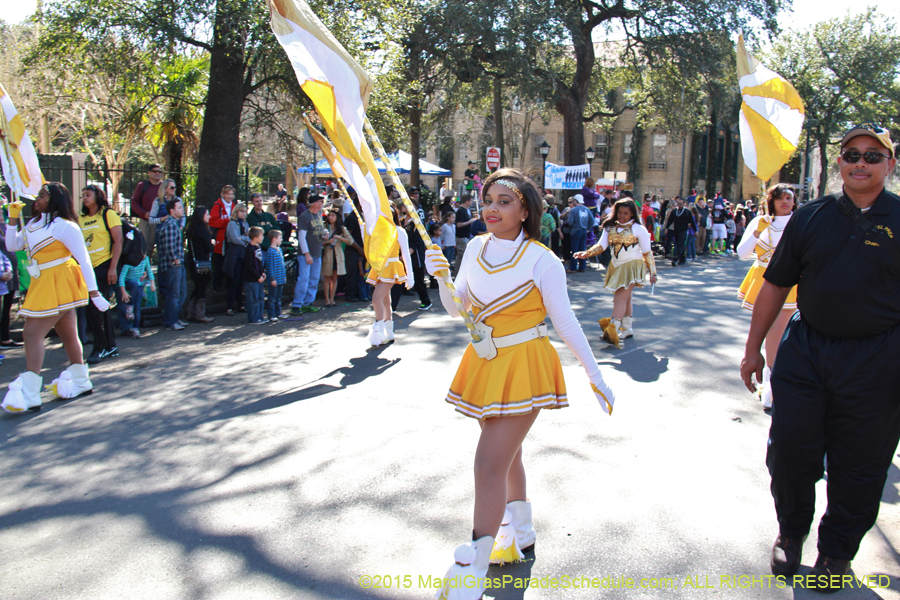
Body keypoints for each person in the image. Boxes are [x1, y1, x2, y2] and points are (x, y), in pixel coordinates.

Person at [422, 169, 616, 600]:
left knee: (488, 463)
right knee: (507, 456)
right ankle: (520, 531)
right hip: (486, 360)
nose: (491, 208)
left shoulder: (542, 259)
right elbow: (459, 311)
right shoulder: (474, 246)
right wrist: (440, 278)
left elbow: (563, 320)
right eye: (487, 199)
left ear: (525, 209)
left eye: (504, 201)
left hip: (525, 361)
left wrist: (594, 373)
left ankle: (473, 563)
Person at [740, 123, 900, 591]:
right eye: (852, 154)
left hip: (878, 359)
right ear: (839, 163)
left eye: (873, 156)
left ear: (890, 165)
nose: (861, 163)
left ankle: (835, 552)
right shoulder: (811, 216)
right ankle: (791, 533)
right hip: (807, 349)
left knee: (861, 462)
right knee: (789, 449)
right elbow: (774, 284)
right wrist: (753, 349)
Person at [2, 183, 110, 413]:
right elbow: (12, 245)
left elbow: (84, 260)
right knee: (68, 333)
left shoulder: (66, 226)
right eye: (38, 195)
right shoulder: (32, 224)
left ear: (55, 200)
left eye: (43, 195)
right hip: (42, 282)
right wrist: (12, 218)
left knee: (31, 333)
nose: (37, 199)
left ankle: (31, 394)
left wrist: (94, 292)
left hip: (60, 280)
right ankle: (81, 381)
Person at [736, 184, 798, 409]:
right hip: (764, 280)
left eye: (789, 197)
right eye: (780, 198)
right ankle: (772, 384)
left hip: (791, 282)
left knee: (781, 334)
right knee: (772, 332)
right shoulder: (759, 221)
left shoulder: (799, 220)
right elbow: (742, 253)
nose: (785, 201)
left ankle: (779, 380)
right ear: (771, 200)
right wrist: (757, 231)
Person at [575, 198, 658, 347]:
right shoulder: (610, 227)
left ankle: (611, 333)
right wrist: (586, 254)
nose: (622, 216)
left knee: (619, 298)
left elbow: (647, 253)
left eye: (626, 213)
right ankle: (627, 329)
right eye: (619, 212)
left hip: (633, 266)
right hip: (617, 265)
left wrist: (653, 272)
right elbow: (601, 246)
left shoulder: (639, 229)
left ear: (632, 213)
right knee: (626, 298)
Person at [78, 185, 123, 364]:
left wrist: (113, 268)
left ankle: (100, 347)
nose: (85, 198)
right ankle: (109, 345)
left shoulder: (108, 214)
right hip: (86, 268)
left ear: (98, 196)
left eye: (88, 195)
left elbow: (118, 241)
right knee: (97, 308)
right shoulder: (80, 219)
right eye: (83, 196)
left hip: (104, 266)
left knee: (96, 307)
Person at [365, 205, 414, 346]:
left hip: (392, 268)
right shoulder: (377, 230)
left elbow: (405, 254)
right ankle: (389, 333)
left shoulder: (399, 231)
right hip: (380, 268)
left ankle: (378, 331)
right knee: (386, 300)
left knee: (376, 298)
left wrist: (410, 276)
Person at [156, 199, 189, 331]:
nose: (182, 209)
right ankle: (170, 321)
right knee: (174, 294)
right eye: (179, 207)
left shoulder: (174, 224)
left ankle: (175, 318)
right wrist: (175, 260)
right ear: (172, 210)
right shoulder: (170, 225)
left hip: (177, 265)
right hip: (172, 266)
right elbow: (169, 246)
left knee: (181, 293)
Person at [290, 194, 325, 315]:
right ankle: (297, 304)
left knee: (314, 279)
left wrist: (324, 236)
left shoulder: (319, 215)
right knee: (303, 279)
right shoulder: (304, 216)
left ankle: (308, 303)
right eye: (321, 201)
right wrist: (306, 254)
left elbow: (317, 232)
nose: (323, 203)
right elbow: (302, 237)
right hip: (307, 254)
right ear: (315, 203)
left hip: (317, 252)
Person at [186, 205, 215, 324]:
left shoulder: (192, 230)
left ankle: (190, 312)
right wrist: (212, 242)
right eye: (207, 214)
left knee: (197, 286)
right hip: (202, 261)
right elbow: (208, 247)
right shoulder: (203, 230)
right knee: (202, 287)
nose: (209, 216)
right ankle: (200, 314)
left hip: (193, 261)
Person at [320, 208, 355, 307]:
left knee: (335, 278)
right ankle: (326, 299)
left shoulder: (342, 229)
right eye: (329, 215)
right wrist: (327, 241)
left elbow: (350, 241)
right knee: (327, 278)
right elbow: (319, 242)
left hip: (338, 255)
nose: (330, 217)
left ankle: (332, 299)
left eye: (333, 215)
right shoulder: (324, 227)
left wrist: (339, 237)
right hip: (328, 254)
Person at [130, 164, 163, 258]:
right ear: (149, 173)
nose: (157, 173)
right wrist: (144, 213)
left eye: (159, 171)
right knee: (144, 246)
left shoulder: (165, 186)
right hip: (146, 220)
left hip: (161, 220)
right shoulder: (142, 186)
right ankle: (143, 269)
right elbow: (134, 203)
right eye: (155, 171)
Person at [117, 254, 154, 338]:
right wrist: (123, 291)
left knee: (137, 308)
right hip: (129, 283)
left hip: (139, 285)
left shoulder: (145, 259)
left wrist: (152, 283)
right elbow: (121, 278)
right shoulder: (129, 262)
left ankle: (135, 328)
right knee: (134, 284)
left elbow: (149, 270)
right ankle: (130, 307)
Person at [223, 203, 250, 316]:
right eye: (241, 211)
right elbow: (235, 239)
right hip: (234, 256)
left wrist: (242, 238)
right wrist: (244, 239)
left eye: (245, 211)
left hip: (243, 255)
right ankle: (229, 306)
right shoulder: (232, 224)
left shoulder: (245, 223)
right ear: (236, 212)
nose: (243, 213)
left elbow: (249, 237)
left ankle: (240, 304)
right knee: (233, 281)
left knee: (241, 281)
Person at [209, 185, 236, 291]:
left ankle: (228, 284)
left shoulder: (234, 205)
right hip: (221, 238)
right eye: (228, 194)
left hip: (231, 237)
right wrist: (227, 221)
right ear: (223, 194)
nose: (230, 196)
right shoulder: (218, 206)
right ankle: (217, 284)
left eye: (232, 194)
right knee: (220, 261)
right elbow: (212, 221)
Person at [342, 193, 366, 303]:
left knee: (361, 273)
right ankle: (350, 294)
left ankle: (360, 293)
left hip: (362, 248)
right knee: (352, 272)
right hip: (353, 250)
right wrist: (358, 248)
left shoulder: (363, 217)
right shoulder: (351, 218)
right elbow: (348, 236)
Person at [0, 224, 21, 349]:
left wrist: (9, 270)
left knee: (6, 309)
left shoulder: (4, 227)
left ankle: (5, 338)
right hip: (2, 277)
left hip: (8, 276)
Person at [243, 226, 267, 324]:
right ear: (255, 237)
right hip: (252, 279)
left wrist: (262, 272)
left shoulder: (258, 247)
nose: (262, 238)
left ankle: (260, 316)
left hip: (259, 277)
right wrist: (257, 276)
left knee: (261, 297)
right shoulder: (249, 249)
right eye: (261, 235)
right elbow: (249, 265)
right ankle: (253, 318)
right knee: (253, 299)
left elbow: (259, 262)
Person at [664, 196, 695, 266]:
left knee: (681, 244)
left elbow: (692, 222)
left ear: (683, 204)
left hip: (684, 230)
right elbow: (670, 220)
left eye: (681, 204)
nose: (679, 205)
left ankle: (675, 259)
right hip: (676, 230)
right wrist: (666, 228)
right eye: (678, 204)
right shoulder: (674, 211)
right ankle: (682, 259)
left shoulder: (687, 212)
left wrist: (696, 230)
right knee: (678, 244)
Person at [264, 230, 287, 321]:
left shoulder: (280, 249)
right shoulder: (270, 251)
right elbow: (269, 266)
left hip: (280, 278)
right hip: (274, 280)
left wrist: (284, 276)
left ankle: (278, 313)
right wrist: (272, 278)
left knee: (278, 297)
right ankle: (271, 314)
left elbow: (282, 265)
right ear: (274, 239)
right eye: (280, 238)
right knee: (272, 298)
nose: (281, 239)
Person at [565, 194, 591, 273]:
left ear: (575, 201)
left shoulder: (573, 210)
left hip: (575, 231)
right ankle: (582, 267)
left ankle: (573, 268)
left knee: (574, 250)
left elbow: (570, 222)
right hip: (584, 231)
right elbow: (592, 220)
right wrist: (588, 228)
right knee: (582, 249)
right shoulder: (587, 210)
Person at [454, 194, 477, 273]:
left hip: (465, 236)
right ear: (466, 201)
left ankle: (460, 272)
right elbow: (459, 224)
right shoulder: (460, 211)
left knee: (463, 256)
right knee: (462, 255)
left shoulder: (467, 210)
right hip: (461, 237)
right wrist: (470, 221)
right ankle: (458, 272)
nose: (472, 202)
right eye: (471, 201)